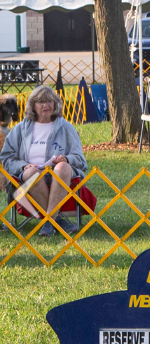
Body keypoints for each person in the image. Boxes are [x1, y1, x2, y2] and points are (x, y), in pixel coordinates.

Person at [1, 85, 87, 236]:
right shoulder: (20, 129)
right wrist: (24, 166)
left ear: (55, 104)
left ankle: (49, 222)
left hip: (60, 176)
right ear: (33, 106)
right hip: (29, 177)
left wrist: (66, 159)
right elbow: (6, 158)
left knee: (63, 167)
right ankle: (56, 220)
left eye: (49, 101)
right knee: (32, 172)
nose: (46, 105)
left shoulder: (66, 128)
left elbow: (80, 159)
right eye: (41, 102)